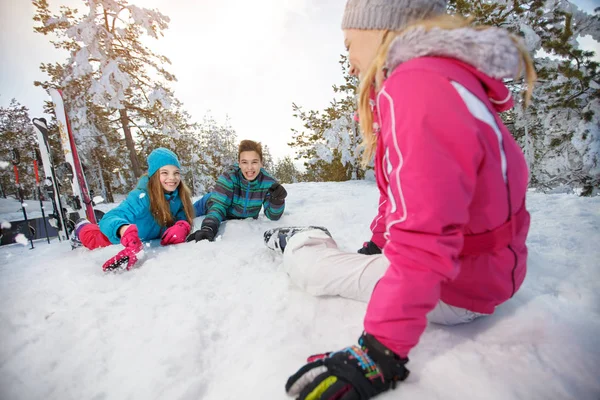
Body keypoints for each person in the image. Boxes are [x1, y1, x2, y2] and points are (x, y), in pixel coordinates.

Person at [264, 1, 534, 398]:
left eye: (349, 43)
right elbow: (404, 198)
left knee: (313, 272)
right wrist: (378, 244)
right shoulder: (446, 78)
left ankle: (301, 239)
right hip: (490, 273)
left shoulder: (416, 86)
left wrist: (378, 352)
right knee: (368, 261)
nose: (350, 61)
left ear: (381, 27)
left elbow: (426, 234)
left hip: (460, 286)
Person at [73, 148, 195, 271]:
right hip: (115, 237)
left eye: (176, 173)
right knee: (92, 237)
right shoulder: (141, 197)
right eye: (165, 173)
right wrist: (124, 231)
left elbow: (182, 214)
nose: (172, 178)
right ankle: (81, 226)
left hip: (146, 236)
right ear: (154, 175)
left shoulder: (179, 196)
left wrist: (182, 226)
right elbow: (109, 218)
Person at [186, 140, 287, 242]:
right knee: (183, 214)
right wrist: (208, 227)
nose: (249, 167)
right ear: (239, 163)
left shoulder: (268, 183)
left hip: (233, 213)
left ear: (261, 163)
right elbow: (218, 206)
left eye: (254, 162)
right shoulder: (230, 177)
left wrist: (277, 201)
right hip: (212, 202)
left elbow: (272, 216)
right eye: (244, 162)